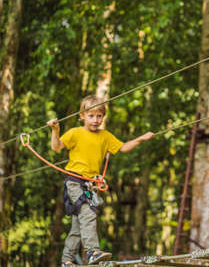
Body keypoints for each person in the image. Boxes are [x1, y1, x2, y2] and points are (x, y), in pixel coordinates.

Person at [47, 95, 155, 266]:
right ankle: (92, 251)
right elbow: (56, 146)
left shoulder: (105, 136)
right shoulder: (75, 133)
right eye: (91, 116)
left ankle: (66, 261)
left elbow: (123, 147)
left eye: (99, 116)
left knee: (78, 226)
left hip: (90, 185)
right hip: (75, 182)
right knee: (87, 214)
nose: (95, 120)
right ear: (82, 116)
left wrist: (141, 138)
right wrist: (55, 130)